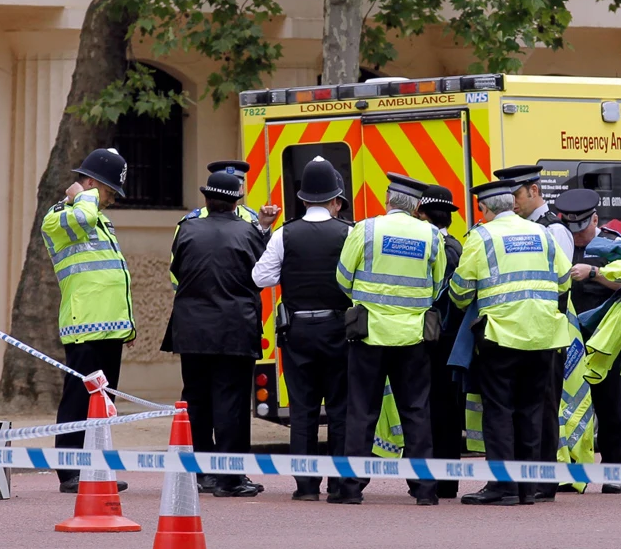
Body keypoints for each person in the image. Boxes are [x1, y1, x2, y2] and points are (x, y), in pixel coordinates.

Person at [451, 179, 572, 505]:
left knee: (500, 411)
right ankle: (527, 487)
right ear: (512, 204)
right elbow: (563, 281)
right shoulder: (544, 235)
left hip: (501, 337)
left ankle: (503, 486)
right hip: (544, 336)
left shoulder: (482, 236)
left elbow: (461, 291)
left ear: (485, 208)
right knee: (532, 411)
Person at [335, 173, 446, 505]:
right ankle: (424, 489)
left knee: (361, 411)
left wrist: (365, 300)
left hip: (369, 333)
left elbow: (342, 276)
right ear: (416, 206)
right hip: (413, 337)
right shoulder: (430, 235)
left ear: (388, 199)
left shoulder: (366, 229)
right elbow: (437, 284)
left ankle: (352, 488)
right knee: (416, 411)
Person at [162, 170, 269, 496]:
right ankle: (230, 478)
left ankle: (201, 474)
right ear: (236, 202)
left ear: (207, 200)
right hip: (234, 330)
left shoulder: (187, 229)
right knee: (231, 404)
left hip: (192, 331)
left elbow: (177, 271)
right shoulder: (248, 233)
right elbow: (262, 273)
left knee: (196, 400)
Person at [252, 157, 352, 501]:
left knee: (303, 410)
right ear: (335, 199)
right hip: (339, 330)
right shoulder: (348, 232)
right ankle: (339, 485)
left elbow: (260, 277)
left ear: (304, 198)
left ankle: (307, 487)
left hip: (297, 334)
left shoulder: (285, 234)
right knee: (340, 408)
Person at [41, 148, 134, 494]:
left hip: (109, 324)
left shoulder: (97, 216)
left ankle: (96, 468)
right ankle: (69, 472)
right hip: (84, 325)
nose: (110, 199)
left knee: (102, 403)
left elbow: (113, 272)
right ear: (91, 183)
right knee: (79, 399)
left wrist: (126, 323)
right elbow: (81, 220)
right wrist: (83, 197)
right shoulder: (59, 215)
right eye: (108, 191)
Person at [494, 164, 572, 501]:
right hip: (522, 333)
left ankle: (543, 479)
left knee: (544, 407)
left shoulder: (553, 230)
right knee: (527, 408)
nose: (512, 202)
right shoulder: (523, 228)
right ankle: (529, 478)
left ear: (534, 191)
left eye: (517, 195)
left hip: (546, 332)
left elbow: (561, 286)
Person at [559, 188, 621, 492]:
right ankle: (573, 474)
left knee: (609, 406)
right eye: (571, 228)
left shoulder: (613, 244)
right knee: (568, 408)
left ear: (595, 219)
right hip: (567, 339)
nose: (577, 236)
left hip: (604, 340)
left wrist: (594, 274)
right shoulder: (560, 241)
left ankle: (613, 474)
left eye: (582, 228)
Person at [416, 185, 466, 499]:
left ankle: (427, 481)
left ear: (422, 215)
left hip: (426, 339)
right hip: (452, 341)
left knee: (425, 410)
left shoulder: (425, 248)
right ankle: (447, 483)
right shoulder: (459, 247)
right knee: (449, 413)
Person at [182, 160, 277, 229]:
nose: (229, 190)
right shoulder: (190, 220)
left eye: (236, 186)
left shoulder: (253, 218)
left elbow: (262, 252)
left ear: (242, 189)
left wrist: (264, 227)